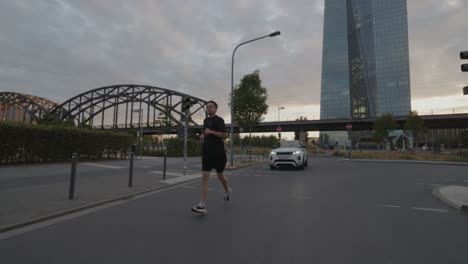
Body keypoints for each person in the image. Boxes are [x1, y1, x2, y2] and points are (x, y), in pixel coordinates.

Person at [192, 100, 232, 214]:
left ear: (215, 108)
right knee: (205, 176)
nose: (208, 108)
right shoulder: (205, 121)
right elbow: (206, 133)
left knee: (220, 176)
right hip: (207, 153)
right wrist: (202, 136)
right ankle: (202, 205)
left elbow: (224, 134)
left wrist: (211, 132)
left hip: (218, 153)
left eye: (211, 107)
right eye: (207, 107)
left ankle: (227, 190)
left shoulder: (219, 120)